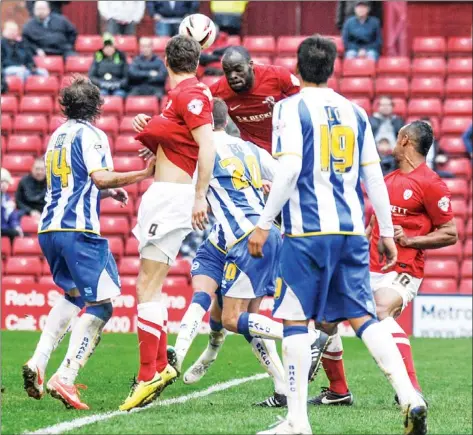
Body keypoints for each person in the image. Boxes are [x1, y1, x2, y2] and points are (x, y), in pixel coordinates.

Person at [249, 35, 427, 435]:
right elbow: (373, 177)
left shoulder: (287, 108)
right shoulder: (355, 111)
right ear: (332, 68)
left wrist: (263, 222)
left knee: (296, 321)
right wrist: (386, 231)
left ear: (297, 68)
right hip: (349, 231)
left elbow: (290, 168)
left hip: (307, 232)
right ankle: (410, 397)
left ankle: (297, 421)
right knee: (363, 316)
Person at [159, 99, 328, 408]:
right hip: (260, 232)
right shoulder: (249, 148)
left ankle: (305, 337)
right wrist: (265, 188)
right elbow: (287, 177)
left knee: (233, 319)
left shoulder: (203, 151)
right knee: (245, 319)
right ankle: (281, 388)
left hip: (245, 238)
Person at [22, 76, 155, 410]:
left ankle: (38, 362)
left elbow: (75, 180)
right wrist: (142, 174)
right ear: (96, 105)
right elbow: (98, 176)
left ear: (67, 105)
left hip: (49, 229)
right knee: (103, 305)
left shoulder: (57, 135)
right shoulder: (92, 134)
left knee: (72, 295)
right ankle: (65, 377)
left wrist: (107, 192)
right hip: (77, 230)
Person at [314, 121, 458, 409]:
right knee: (325, 316)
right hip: (368, 267)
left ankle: (411, 391)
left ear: (404, 140)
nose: (392, 141)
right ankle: (338, 390)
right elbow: (374, 225)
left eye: (396, 136)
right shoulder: (388, 180)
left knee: (380, 311)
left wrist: (412, 240)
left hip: (403, 270)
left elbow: (450, 233)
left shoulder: (430, 183)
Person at [118, 35, 215, 412]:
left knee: (146, 286)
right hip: (166, 194)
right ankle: (158, 368)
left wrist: (199, 195)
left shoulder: (191, 93)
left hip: (172, 196)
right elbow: (179, 140)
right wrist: (152, 128)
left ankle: (148, 375)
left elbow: (206, 145)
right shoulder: (178, 98)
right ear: (198, 59)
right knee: (150, 288)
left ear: (165, 61)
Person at [209, 46, 301, 153]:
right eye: (227, 71)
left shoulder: (278, 76)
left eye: (238, 69)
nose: (232, 76)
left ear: (251, 65)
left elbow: (303, 105)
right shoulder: (217, 92)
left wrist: (282, 111)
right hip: (253, 153)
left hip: (287, 145)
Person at [88, 33, 128, 98]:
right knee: (101, 95)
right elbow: (91, 76)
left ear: (114, 47)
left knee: (119, 95)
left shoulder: (121, 57)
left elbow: (126, 78)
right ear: (103, 48)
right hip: (102, 87)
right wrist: (101, 83)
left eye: (110, 46)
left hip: (118, 87)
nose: (108, 48)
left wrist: (118, 84)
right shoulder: (98, 58)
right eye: (106, 46)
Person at [1, 168, 23, 242]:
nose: (4, 185)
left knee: (21, 234)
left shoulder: (7, 198)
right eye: (1, 182)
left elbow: (12, 217)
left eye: (6, 182)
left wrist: (16, 226)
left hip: (5, 229)